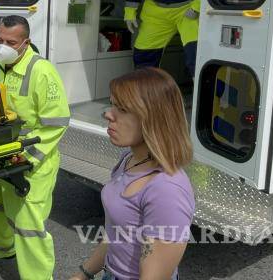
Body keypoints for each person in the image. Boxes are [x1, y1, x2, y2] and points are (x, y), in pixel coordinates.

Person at [71, 68, 195, 280]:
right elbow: (117, 231)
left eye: (123, 109)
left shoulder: (166, 189)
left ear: (154, 118)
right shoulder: (129, 159)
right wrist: (84, 273)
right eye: (112, 104)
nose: (108, 114)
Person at [0, 15, 70, 280]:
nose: (3, 46)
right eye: (0, 39)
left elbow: (57, 123)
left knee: (28, 224)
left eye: (11, 42)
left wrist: (27, 156)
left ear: (26, 42)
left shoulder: (42, 71)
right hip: (0, 151)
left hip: (31, 158)